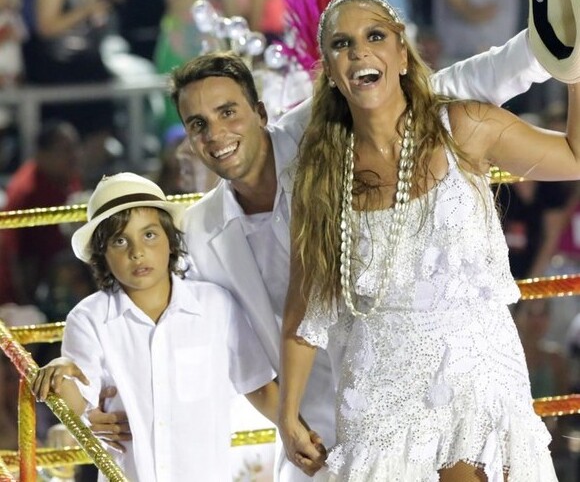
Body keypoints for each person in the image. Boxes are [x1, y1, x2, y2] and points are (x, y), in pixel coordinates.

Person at [156, 30, 549, 482]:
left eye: (228, 112)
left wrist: (550, 45)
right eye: (198, 123)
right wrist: (289, 421)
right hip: (319, 440)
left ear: (260, 113)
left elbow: (454, 84)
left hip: (415, 394)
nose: (216, 134)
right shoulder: (199, 230)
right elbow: (230, 350)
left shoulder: (319, 132)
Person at [277, 0, 574, 480]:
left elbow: (575, 157)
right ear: (330, 69)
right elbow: (303, 298)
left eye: (374, 36)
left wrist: (576, 67)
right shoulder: (319, 174)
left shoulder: (465, 126)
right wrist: (288, 414)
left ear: (400, 51)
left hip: (477, 375)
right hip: (378, 394)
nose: (359, 52)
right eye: (341, 43)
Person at [31, 172, 278, 481]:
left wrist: (300, 432)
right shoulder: (89, 318)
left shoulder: (216, 305)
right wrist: (60, 375)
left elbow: (258, 384)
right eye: (120, 241)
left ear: (170, 239)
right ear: (102, 255)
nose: (137, 252)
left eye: (149, 235)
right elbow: (79, 398)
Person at [0, 121, 83, 306]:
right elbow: (13, 258)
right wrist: (27, 305)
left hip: (61, 275)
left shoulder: (68, 176)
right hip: (23, 294)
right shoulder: (25, 193)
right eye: (65, 150)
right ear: (41, 155)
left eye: (75, 148)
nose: (74, 156)